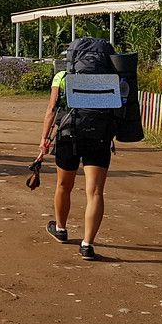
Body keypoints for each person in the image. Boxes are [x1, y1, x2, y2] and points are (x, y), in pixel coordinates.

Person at [37, 37, 123, 261]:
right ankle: (87, 245)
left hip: (69, 135)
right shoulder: (112, 79)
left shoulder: (63, 76)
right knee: (95, 192)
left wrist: (44, 139)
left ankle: (61, 229)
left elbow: (52, 109)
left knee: (63, 185)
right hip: (99, 136)